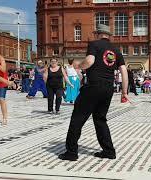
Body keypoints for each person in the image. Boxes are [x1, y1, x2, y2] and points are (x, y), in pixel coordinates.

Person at [59, 24, 129, 161]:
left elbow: (90, 61)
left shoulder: (94, 44)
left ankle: (71, 153)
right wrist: (124, 92)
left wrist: (79, 66)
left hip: (93, 87)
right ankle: (109, 151)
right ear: (109, 35)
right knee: (100, 120)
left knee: (77, 119)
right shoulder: (116, 50)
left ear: (98, 34)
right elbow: (124, 71)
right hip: (108, 89)